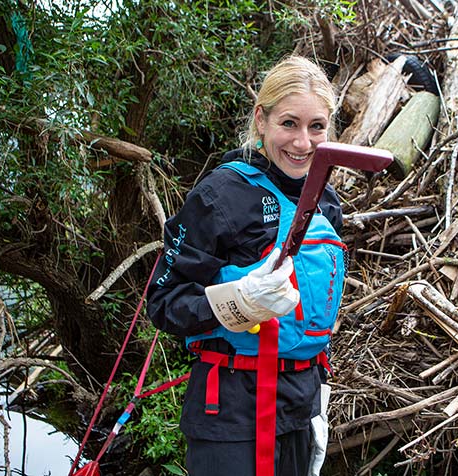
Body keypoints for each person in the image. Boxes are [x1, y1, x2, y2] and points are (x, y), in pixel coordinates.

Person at [146, 55, 345, 476]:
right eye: (288, 124)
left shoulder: (325, 198)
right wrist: (236, 300)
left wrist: (319, 396)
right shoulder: (220, 194)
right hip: (230, 409)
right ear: (261, 120)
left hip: (301, 402)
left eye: (316, 127)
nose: (303, 143)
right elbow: (163, 302)